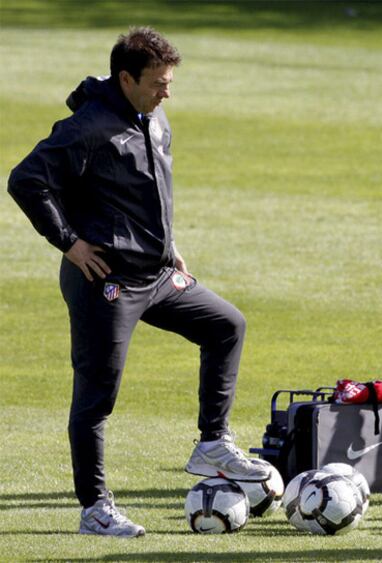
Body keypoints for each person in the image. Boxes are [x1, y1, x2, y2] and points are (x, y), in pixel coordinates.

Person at [7, 27, 271, 538]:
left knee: (226, 325)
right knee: (97, 395)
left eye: (170, 81)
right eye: (159, 82)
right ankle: (95, 509)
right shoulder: (89, 126)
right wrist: (69, 242)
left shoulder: (151, 114)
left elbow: (149, 188)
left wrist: (168, 244)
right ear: (126, 78)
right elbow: (25, 180)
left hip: (157, 272)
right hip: (106, 281)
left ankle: (212, 442)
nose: (167, 91)